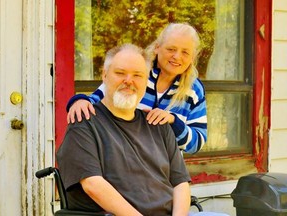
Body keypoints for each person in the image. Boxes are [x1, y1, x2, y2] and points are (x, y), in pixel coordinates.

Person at [57, 43, 192, 216]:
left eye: (138, 75)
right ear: (104, 75)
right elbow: (92, 184)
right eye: (120, 73)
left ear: (146, 81)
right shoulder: (85, 123)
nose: (129, 81)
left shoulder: (158, 124)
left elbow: (180, 183)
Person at [66, 23, 207, 154]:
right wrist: (78, 101)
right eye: (171, 49)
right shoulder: (138, 71)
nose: (177, 56)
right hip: (121, 158)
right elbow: (97, 99)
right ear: (157, 47)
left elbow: (198, 142)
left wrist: (173, 121)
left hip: (165, 169)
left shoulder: (194, 89)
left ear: (193, 57)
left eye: (185, 52)